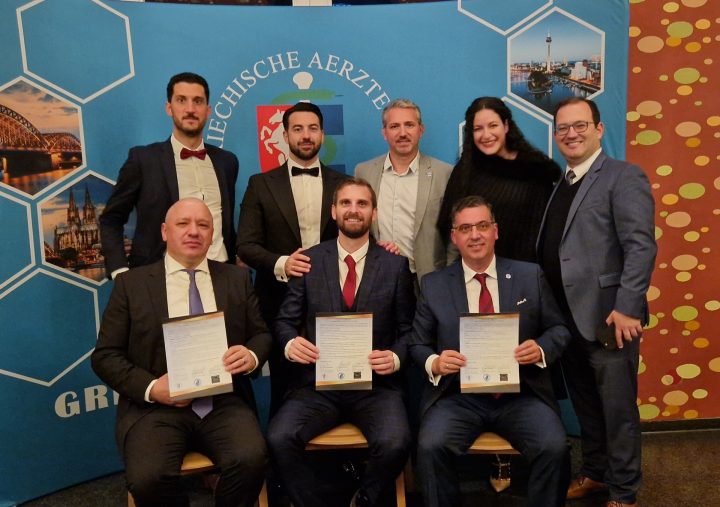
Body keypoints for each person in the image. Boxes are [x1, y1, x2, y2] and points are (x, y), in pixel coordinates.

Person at [92, 198, 271, 507]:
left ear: (212, 234)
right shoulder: (131, 285)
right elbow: (105, 356)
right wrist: (152, 388)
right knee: (148, 479)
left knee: (252, 459)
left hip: (223, 402)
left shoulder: (236, 278)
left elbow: (262, 334)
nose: (194, 232)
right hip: (155, 409)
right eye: (183, 224)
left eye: (203, 225)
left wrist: (251, 355)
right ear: (165, 231)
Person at [411, 195, 571, 507]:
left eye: (482, 226)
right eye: (465, 228)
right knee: (430, 446)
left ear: (495, 231)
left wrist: (540, 348)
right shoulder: (434, 284)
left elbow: (559, 329)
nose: (475, 235)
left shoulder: (529, 276)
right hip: (458, 397)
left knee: (554, 447)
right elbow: (417, 344)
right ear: (454, 237)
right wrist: (435, 362)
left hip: (521, 395)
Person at [538, 98, 656, 507]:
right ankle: (596, 472)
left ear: (599, 129)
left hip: (609, 318)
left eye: (580, 125)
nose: (571, 134)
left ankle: (624, 490)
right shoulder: (562, 183)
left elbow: (640, 246)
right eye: (563, 128)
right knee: (587, 405)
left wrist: (628, 307)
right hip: (568, 318)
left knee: (617, 409)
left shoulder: (623, 176)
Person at [268, 178, 415, 507]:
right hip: (317, 387)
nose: (354, 210)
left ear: (374, 213)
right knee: (279, 438)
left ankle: (364, 499)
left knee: (396, 441)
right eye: (346, 203)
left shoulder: (395, 265)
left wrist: (395, 357)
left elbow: (409, 330)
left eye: (362, 204)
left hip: (376, 388)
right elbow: (284, 322)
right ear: (333, 211)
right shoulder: (308, 261)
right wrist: (291, 344)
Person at [237, 101, 347, 412]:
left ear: (322, 134)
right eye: (297, 129)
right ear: (285, 136)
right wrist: (282, 263)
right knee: (283, 390)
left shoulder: (344, 184)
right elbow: (246, 245)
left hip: (335, 302)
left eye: (313, 128)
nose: (306, 135)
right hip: (278, 301)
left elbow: (358, 236)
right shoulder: (260, 184)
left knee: (338, 384)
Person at [100, 72, 239, 280]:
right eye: (181, 100)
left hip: (221, 276)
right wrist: (120, 272)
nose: (190, 109)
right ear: (169, 108)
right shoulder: (143, 159)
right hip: (159, 279)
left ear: (208, 110)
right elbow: (111, 219)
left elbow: (226, 224)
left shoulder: (227, 162)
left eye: (198, 101)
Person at [438, 96, 561, 263]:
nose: (486, 135)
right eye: (478, 128)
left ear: (506, 126)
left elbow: (544, 233)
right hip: (473, 271)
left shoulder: (535, 169)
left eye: (493, 125)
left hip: (523, 271)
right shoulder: (465, 168)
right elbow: (448, 225)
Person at [354, 98, 452, 284]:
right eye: (394, 126)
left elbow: (453, 232)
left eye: (409, 125)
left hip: (428, 279)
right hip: (378, 277)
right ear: (384, 133)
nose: (403, 133)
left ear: (421, 130)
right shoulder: (363, 172)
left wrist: (450, 277)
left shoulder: (444, 173)